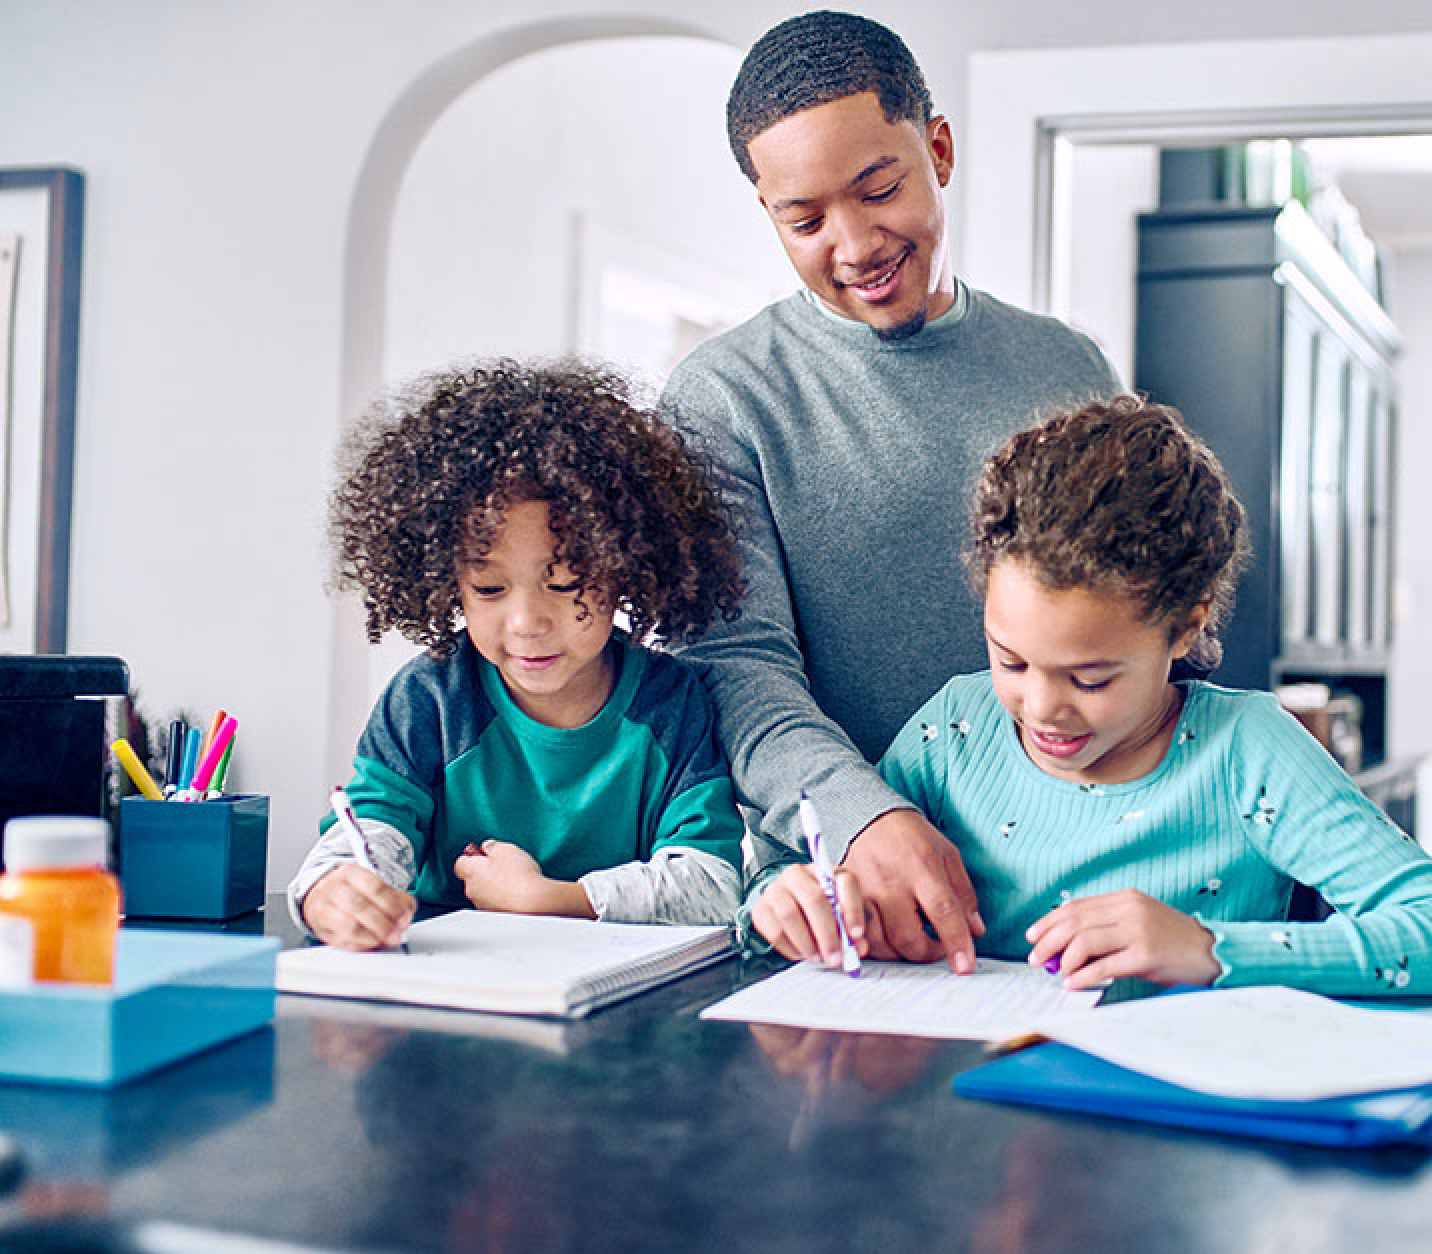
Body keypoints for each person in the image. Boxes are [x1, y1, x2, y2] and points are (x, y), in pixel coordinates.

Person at [665, 10, 1119, 968]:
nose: (855, 241)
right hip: (848, 900)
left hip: (1083, 882)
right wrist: (864, 816)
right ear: (768, 213)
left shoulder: (1068, 365)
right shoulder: (723, 398)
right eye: (805, 219)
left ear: (938, 149)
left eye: (880, 188)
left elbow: (1142, 617)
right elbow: (736, 669)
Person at [755, 394, 1432, 995]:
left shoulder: (1248, 751)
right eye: (1011, 661)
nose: (1043, 707)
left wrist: (1208, 950)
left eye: (1091, 679)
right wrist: (789, 902)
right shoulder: (954, 732)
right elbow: (794, 882)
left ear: (1183, 628)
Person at [288, 360, 747, 950]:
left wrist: (555, 900)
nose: (528, 623)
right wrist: (330, 892)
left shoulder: (670, 703)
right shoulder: (430, 698)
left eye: (563, 584)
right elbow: (369, 831)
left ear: (625, 568)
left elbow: (713, 884)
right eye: (488, 589)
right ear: (447, 583)